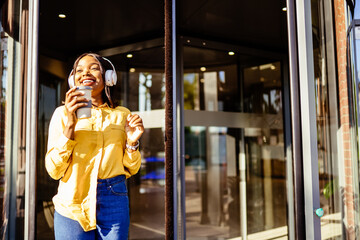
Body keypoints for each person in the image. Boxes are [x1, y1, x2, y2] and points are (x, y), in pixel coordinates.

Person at [45, 53, 144, 240]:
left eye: (93, 68)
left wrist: (132, 143)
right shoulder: (61, 114)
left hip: (114, 198)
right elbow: (54, 170)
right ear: (72, 80)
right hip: (72, 202)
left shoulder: (122, 115)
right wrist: (69, 126)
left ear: (108, 77)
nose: (85, 73)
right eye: (79, 70)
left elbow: (132, 168)